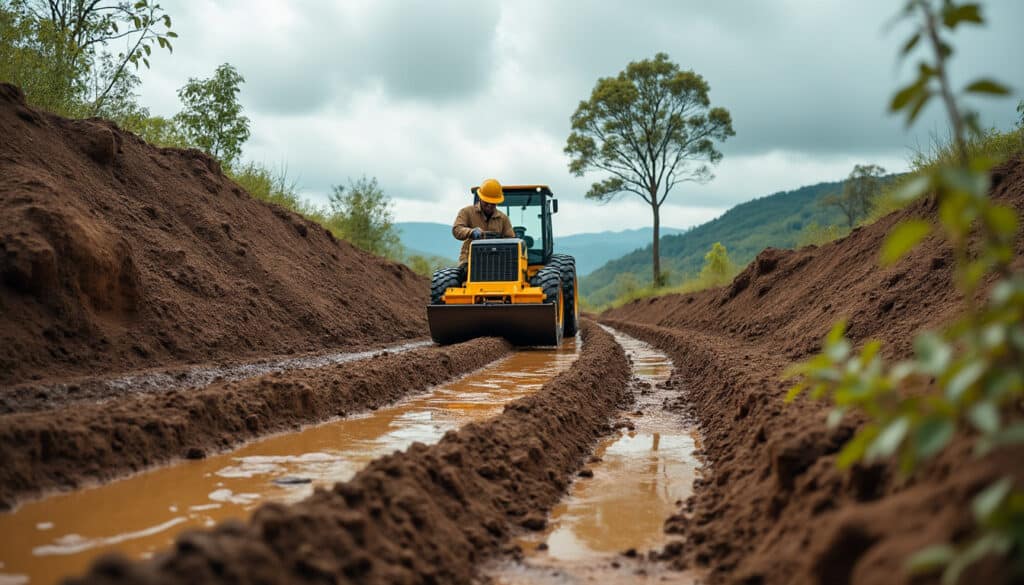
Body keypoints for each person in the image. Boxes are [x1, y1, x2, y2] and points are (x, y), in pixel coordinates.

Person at [451, 178, 515, 269]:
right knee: (458, 278)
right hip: (470, 261)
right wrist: (471, 232)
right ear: (480, 198)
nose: (489, 206)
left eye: (492, 204)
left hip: (497, 262)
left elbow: (511, 240)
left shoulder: (503, 219)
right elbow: (456, 229)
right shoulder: (467, 212)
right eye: (486, 202)